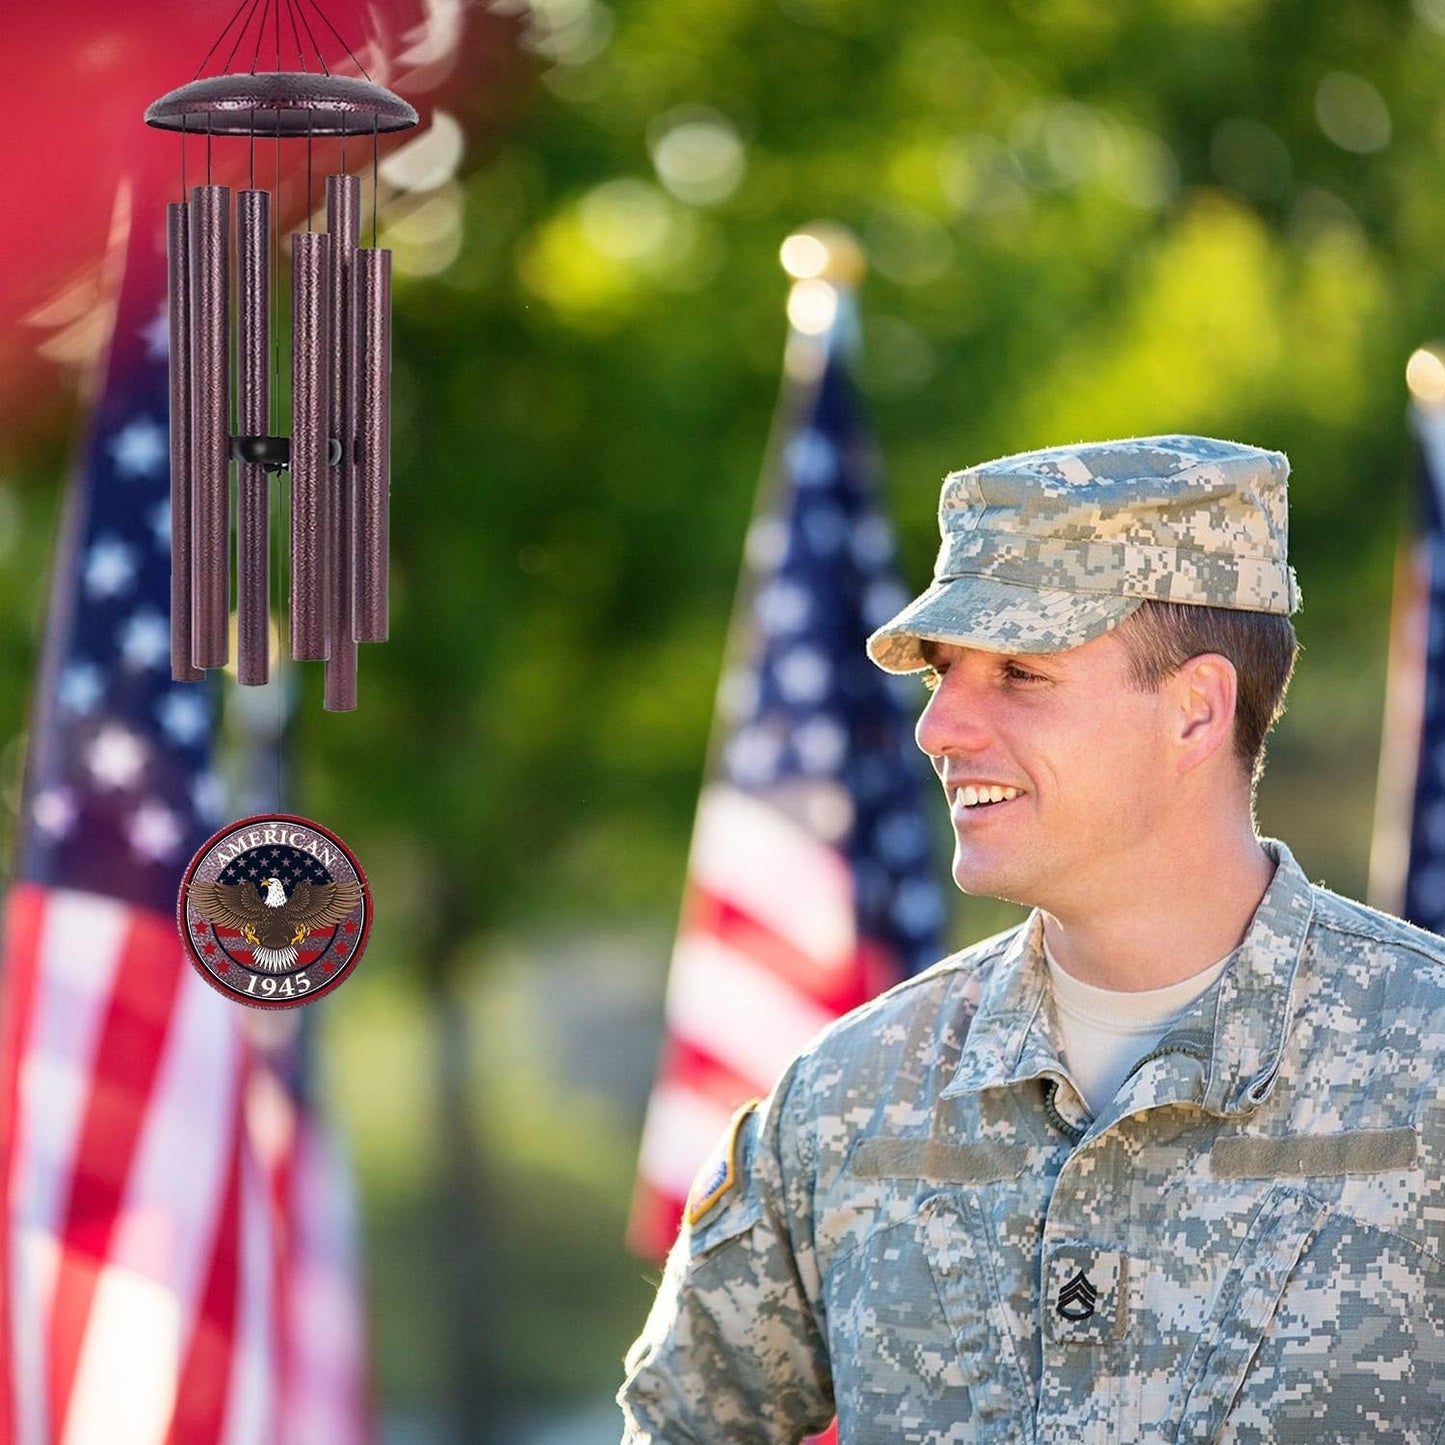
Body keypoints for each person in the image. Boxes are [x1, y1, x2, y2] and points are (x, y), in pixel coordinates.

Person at [618, 435, 1445, 1443]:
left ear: (1194, 710)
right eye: (942, 673)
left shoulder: (1424, 1065)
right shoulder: (847, 1097)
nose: (939, 727)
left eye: (1018, 673)